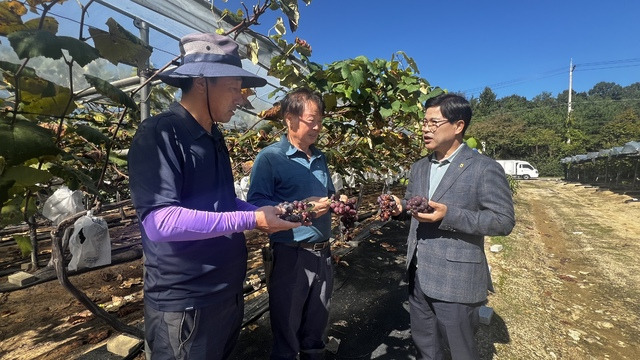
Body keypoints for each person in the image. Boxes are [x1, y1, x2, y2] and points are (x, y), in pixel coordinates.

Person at [128, 33, 300, 360]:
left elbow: (222, 202)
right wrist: (251, 219)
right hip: (186, 305)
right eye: (235, 87)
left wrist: (261, 211)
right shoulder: (160, 134)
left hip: (226, 293)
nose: (241, 99)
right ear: (203, 82)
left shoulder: (213, 136)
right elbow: (159, 223)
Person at [392, 93, 515, 359]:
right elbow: (414, 205)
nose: (425, 129)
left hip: (456, 282)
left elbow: (503, 220)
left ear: (458, 126)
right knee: (426, 348)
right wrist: (400, 207)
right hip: (418, 275)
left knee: (459, 352)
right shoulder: (420, 168)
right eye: (423, 123)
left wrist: (450, 215)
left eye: (433, 122)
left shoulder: (483, 168)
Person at [247, 88, 335, 360]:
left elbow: (328, 195)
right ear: (289, 119)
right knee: (287, 326)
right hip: (290, 253)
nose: (318, 127)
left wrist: (335, 201)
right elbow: (257, 206)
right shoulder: (270, 157)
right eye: (312, 120)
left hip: (324, 253)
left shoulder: (320, 158)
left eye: (320, 120)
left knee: (316, 325)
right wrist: (302, 209)